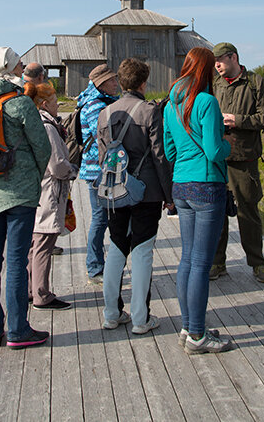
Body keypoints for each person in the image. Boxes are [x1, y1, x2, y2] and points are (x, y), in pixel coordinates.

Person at [0, 47, 52, 349]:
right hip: (19, 195)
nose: (22, 67)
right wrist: (33, 176)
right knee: (18, 261)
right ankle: (18, 330)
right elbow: (42, 148)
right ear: (9, 67)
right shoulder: (20, 103)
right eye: (18, 63)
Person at [163, 47, 234, 354]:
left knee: (188, 260)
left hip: (181, 185)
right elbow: (214, 151)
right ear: (205, 71)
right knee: (202, 265)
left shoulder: (170, 105)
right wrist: (228, 145)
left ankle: (188, 327)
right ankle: (197, 335)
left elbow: (169, 151)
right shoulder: (206, 102)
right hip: (207, 186)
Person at [96, 58, 172, 334]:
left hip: (115, 190)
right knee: (142, 252)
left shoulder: (105, 114)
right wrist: (169, 193)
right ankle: (141, 318)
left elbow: (106, 157)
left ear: (121, 81)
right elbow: (160, 157)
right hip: (146, 191)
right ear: (143, 83)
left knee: (116, 248)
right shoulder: (149, 111)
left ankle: (111, 313)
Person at [210, 42, 264, 283]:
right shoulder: (214, 85)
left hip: (245, 159)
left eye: (220, 60)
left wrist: (238, 120)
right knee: (217, 213)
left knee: (248, 212)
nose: (216, 65)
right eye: (214, 62)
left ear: (233, 58)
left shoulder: (255, 82)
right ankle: (218, 262)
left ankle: (258, 264)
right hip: (218, 159)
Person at [26, 80, 75, 310]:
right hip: (50, 191)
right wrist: (72, 170)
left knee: (36, 244)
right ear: (44, 103)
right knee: (44, 243)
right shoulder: (47, 126)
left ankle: (30, 289)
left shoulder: (37, 122)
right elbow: (57, 165)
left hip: (39, 190)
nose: (58, 105)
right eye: (56, 102)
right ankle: (42, 294)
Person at [76, 64, 121, 283]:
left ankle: (100, 265)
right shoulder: (96, 105)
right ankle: (94, 267)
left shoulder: (97, 101)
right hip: (98, 170)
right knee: (99, 219)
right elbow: (103, 135)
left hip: (97, 169)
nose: (116, 83)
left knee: (102, 218)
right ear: (101, 83)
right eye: (112, 80)